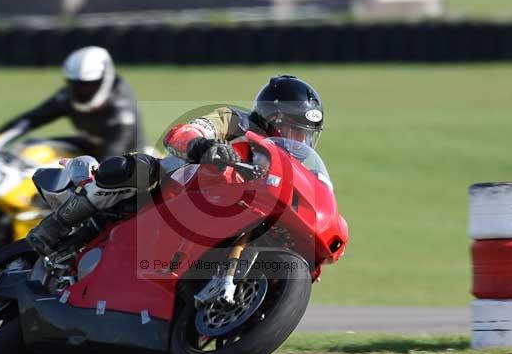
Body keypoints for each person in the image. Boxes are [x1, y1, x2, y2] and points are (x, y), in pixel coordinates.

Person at [26, 75, 325, 256]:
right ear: (272, 118)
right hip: (181, 185)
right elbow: (183, 133)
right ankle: (56, 226)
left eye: (304, 135)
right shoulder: (236, 121)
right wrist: (204, 147)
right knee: (139, 169)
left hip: (233, 211)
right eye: (292, 129)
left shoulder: (293, 168)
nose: (297, 140)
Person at [0, 46, 145, 160]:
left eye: (88, 85)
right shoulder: (67, 97)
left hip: (126, 159)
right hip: (88, 147)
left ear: (105, 79)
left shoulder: (122, 113)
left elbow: (113, 154)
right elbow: (33, 118)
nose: (81, 90)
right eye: (76, 84)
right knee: (30, 149)